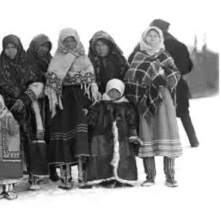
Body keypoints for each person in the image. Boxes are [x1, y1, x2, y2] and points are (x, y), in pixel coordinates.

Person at [0, 34, 48, 190]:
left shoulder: (29, 66)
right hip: (7, 112)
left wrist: (24, 99)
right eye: (7, 48)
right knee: (10, 144)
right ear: (3, 50)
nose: (11, 51)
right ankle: (9, 177)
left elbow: (39, 84)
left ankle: (33, 176)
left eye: (13, 47)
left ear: (19, 48)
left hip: (27, 109)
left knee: (30, 140)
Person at [124, 26, 182, 187]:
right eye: (149, 36)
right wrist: (145, 81)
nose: (152, 38)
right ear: (144, 39)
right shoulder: (137, 56)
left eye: (155, 36)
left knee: (167, 133)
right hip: (144, 99)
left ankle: (170, 176)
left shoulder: (165, 55)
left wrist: (162, 73)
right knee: (147, 134)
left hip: (164, 98)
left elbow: (176, 75)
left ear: (160, 39)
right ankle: (150, 176)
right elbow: (130, 77)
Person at [45, 28, 101, 190]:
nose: (69, 43)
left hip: (79, 103)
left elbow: (90, 83)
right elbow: (51, 81)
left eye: (72, 40)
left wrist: (87, 104)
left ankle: (83, 176)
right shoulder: (56, 58)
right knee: (63, 138)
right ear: (61, 42)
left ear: (77, 40)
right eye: (66, 40)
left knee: (80, 138)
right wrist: (71, 78)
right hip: (61, 103)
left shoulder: (83, 57)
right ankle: (66, 177)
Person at [150, 19, 199, 147]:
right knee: (184, 113)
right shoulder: (180, 45)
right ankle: (193, 141)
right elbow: (189, 66)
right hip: (179, 83)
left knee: (161, 114)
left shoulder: (151, 46)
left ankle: (164, 144)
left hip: (159, 84)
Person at [84, 79, 140, 188]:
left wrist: (133, 134)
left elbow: (132, 121)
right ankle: (105, 178)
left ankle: (124, 178)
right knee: (103, 157)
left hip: (122, 137)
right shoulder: (100, 104)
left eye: (117, 91)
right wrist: (87, 116)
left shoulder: (127, 105)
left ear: (121, 91)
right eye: (111, 91)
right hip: (103, 136)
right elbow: (93, 118)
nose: (114, 94)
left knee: (124, 157)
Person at [26, 34, 58, 182]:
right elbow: (25, 78)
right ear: (34, 45)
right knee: (36, 134)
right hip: (33, 102)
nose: (44, 49)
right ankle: (35, 170)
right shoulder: (26, 60)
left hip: (49, 101)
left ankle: (51, 167)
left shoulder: (50, 60)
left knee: (50, 133)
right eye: (41, 45)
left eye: (47, 46)